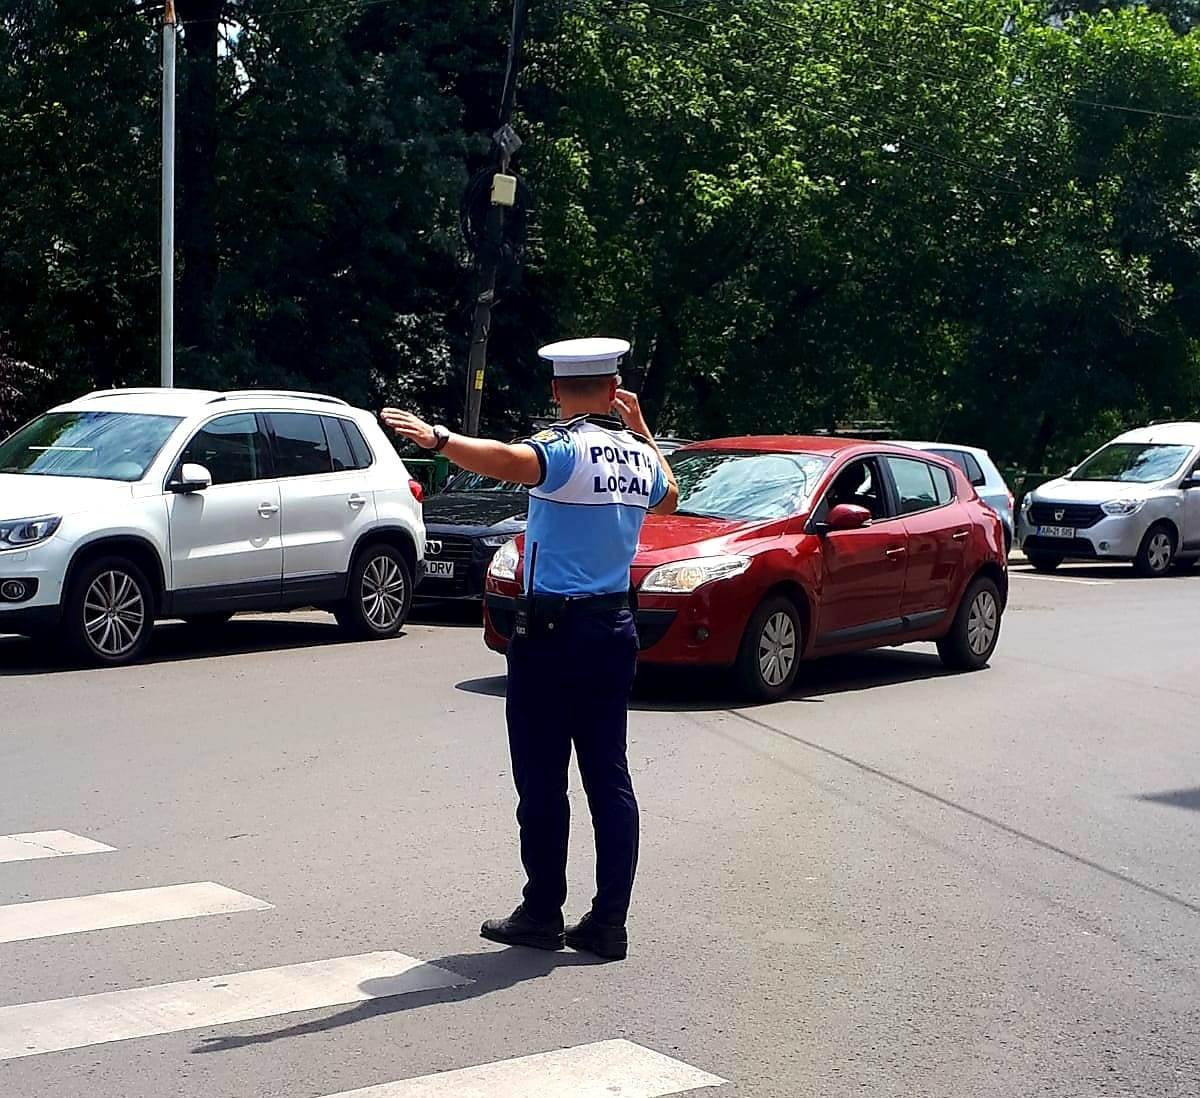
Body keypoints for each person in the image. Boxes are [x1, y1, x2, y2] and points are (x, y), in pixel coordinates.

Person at [382, 337, 678, 961]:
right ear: (614, 386)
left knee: (542, 779)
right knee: (609, 777)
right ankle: (608, 923)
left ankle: (543, 911)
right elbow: (670, 497)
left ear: (556, 389)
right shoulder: (638, 456)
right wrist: (643, 427)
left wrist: (438, 440)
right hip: (612, 630)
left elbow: (507, 461)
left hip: (551, 634)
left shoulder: (566, 448)